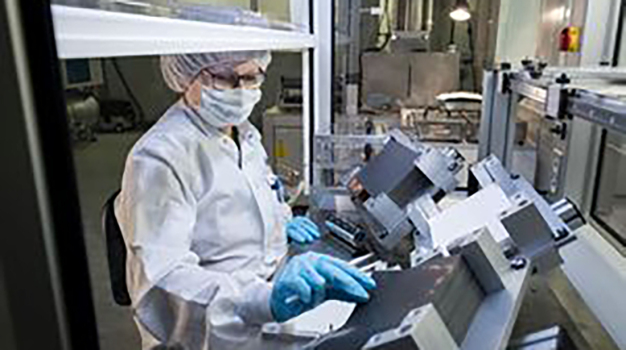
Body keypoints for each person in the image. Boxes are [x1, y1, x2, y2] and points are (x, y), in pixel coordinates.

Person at [115, 49, 376, 349]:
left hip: (265, 302)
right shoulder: (159, 157)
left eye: (251, 77)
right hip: (210, 330)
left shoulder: (244, 133)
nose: (240, 91)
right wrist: (261, 300)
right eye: (225, 78)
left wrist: (281, 224)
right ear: (187, 77)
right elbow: (164, 282)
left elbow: (257, 196)